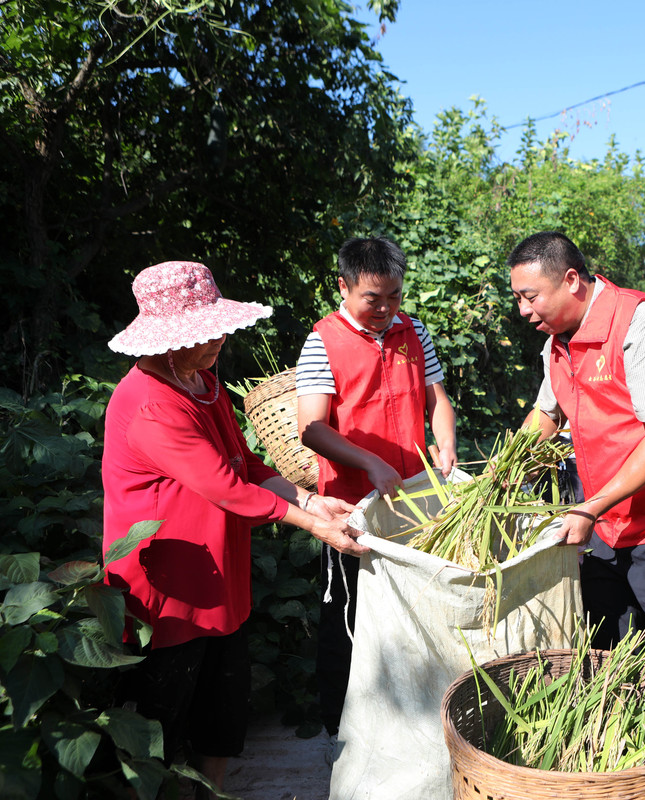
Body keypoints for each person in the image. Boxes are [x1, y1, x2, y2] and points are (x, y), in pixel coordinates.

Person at [102, 261, 369, 798]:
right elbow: (224, 487)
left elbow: (245, 463)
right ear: (169, 339)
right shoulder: (151, 403)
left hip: (218, 575)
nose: (219, 339)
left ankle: (212, 794)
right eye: (204, 333)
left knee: (222, 713)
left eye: (219, 327)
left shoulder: (202, 382)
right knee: (160, 725)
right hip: (169, 589)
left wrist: (312, 499)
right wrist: (312, 526)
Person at [507, 231, 645, 672]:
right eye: (518, 299)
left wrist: (589, 508)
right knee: (606, 653)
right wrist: (506, 465)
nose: (523, 311)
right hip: (608, 523)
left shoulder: (644, 324)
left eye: (530, 297)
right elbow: (547, 415)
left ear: (571, 280)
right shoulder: (557, 342)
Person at [296, 236, 457, 741]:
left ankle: (407, 721)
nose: (385, 309)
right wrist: (369, 462)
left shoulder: (414, 331)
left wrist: (445, 444)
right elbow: (312, 427)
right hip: (351, 505)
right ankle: (337, 731)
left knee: (410, 610)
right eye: (372, 298)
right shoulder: (323, 340)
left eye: (394, 296)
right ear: (343, 287)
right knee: (346, 616)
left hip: (413, 500)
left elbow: (438, 400)